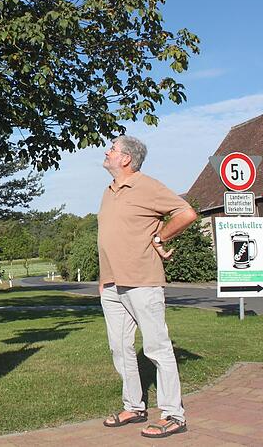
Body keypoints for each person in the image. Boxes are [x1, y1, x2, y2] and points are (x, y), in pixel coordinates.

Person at [97, 135, 197, 438]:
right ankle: (134, 406)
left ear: (126, 158)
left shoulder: (148, 186)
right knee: (120, 348)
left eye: (112, 148)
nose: (107, 151)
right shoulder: (109, 190)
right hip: (112, 284)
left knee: (156, 347)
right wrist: (103, 279)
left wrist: (160, 237)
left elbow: (186, 213)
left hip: (142, 280)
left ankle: (173, 415)